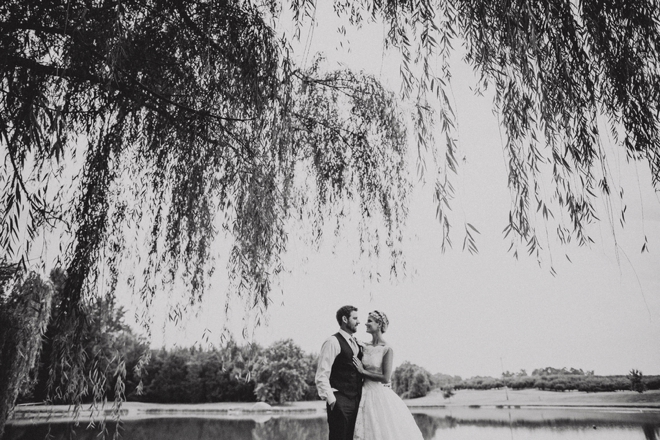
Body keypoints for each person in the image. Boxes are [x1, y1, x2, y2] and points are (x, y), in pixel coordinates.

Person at [352, 310, 424, 440]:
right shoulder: (363, 346)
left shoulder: (387, 348)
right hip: (362, 393)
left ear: (378, 324)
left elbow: (386, 378)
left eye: (369, 321)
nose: (365, 323)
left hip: (378, 394)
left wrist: (363, 372)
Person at [315, 305, 364, 440]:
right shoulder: (332, 342)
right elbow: (321, 375)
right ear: (345, 319)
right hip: (340, 401)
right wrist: (333, 402)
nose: (359, 321)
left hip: (356, 401)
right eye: (355, 318)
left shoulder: (357, 343)